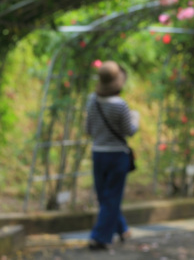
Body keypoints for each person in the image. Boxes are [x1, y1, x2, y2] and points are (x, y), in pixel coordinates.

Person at [85, 61, 140, 250]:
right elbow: (129, 131)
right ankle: (99, 237)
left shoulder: (92, 100)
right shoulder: (121, 105)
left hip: (98, 154)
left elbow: (89, 129)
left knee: (104, 197)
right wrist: (136, 119)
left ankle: (122, 229)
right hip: (117, 156)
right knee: (112, 197)